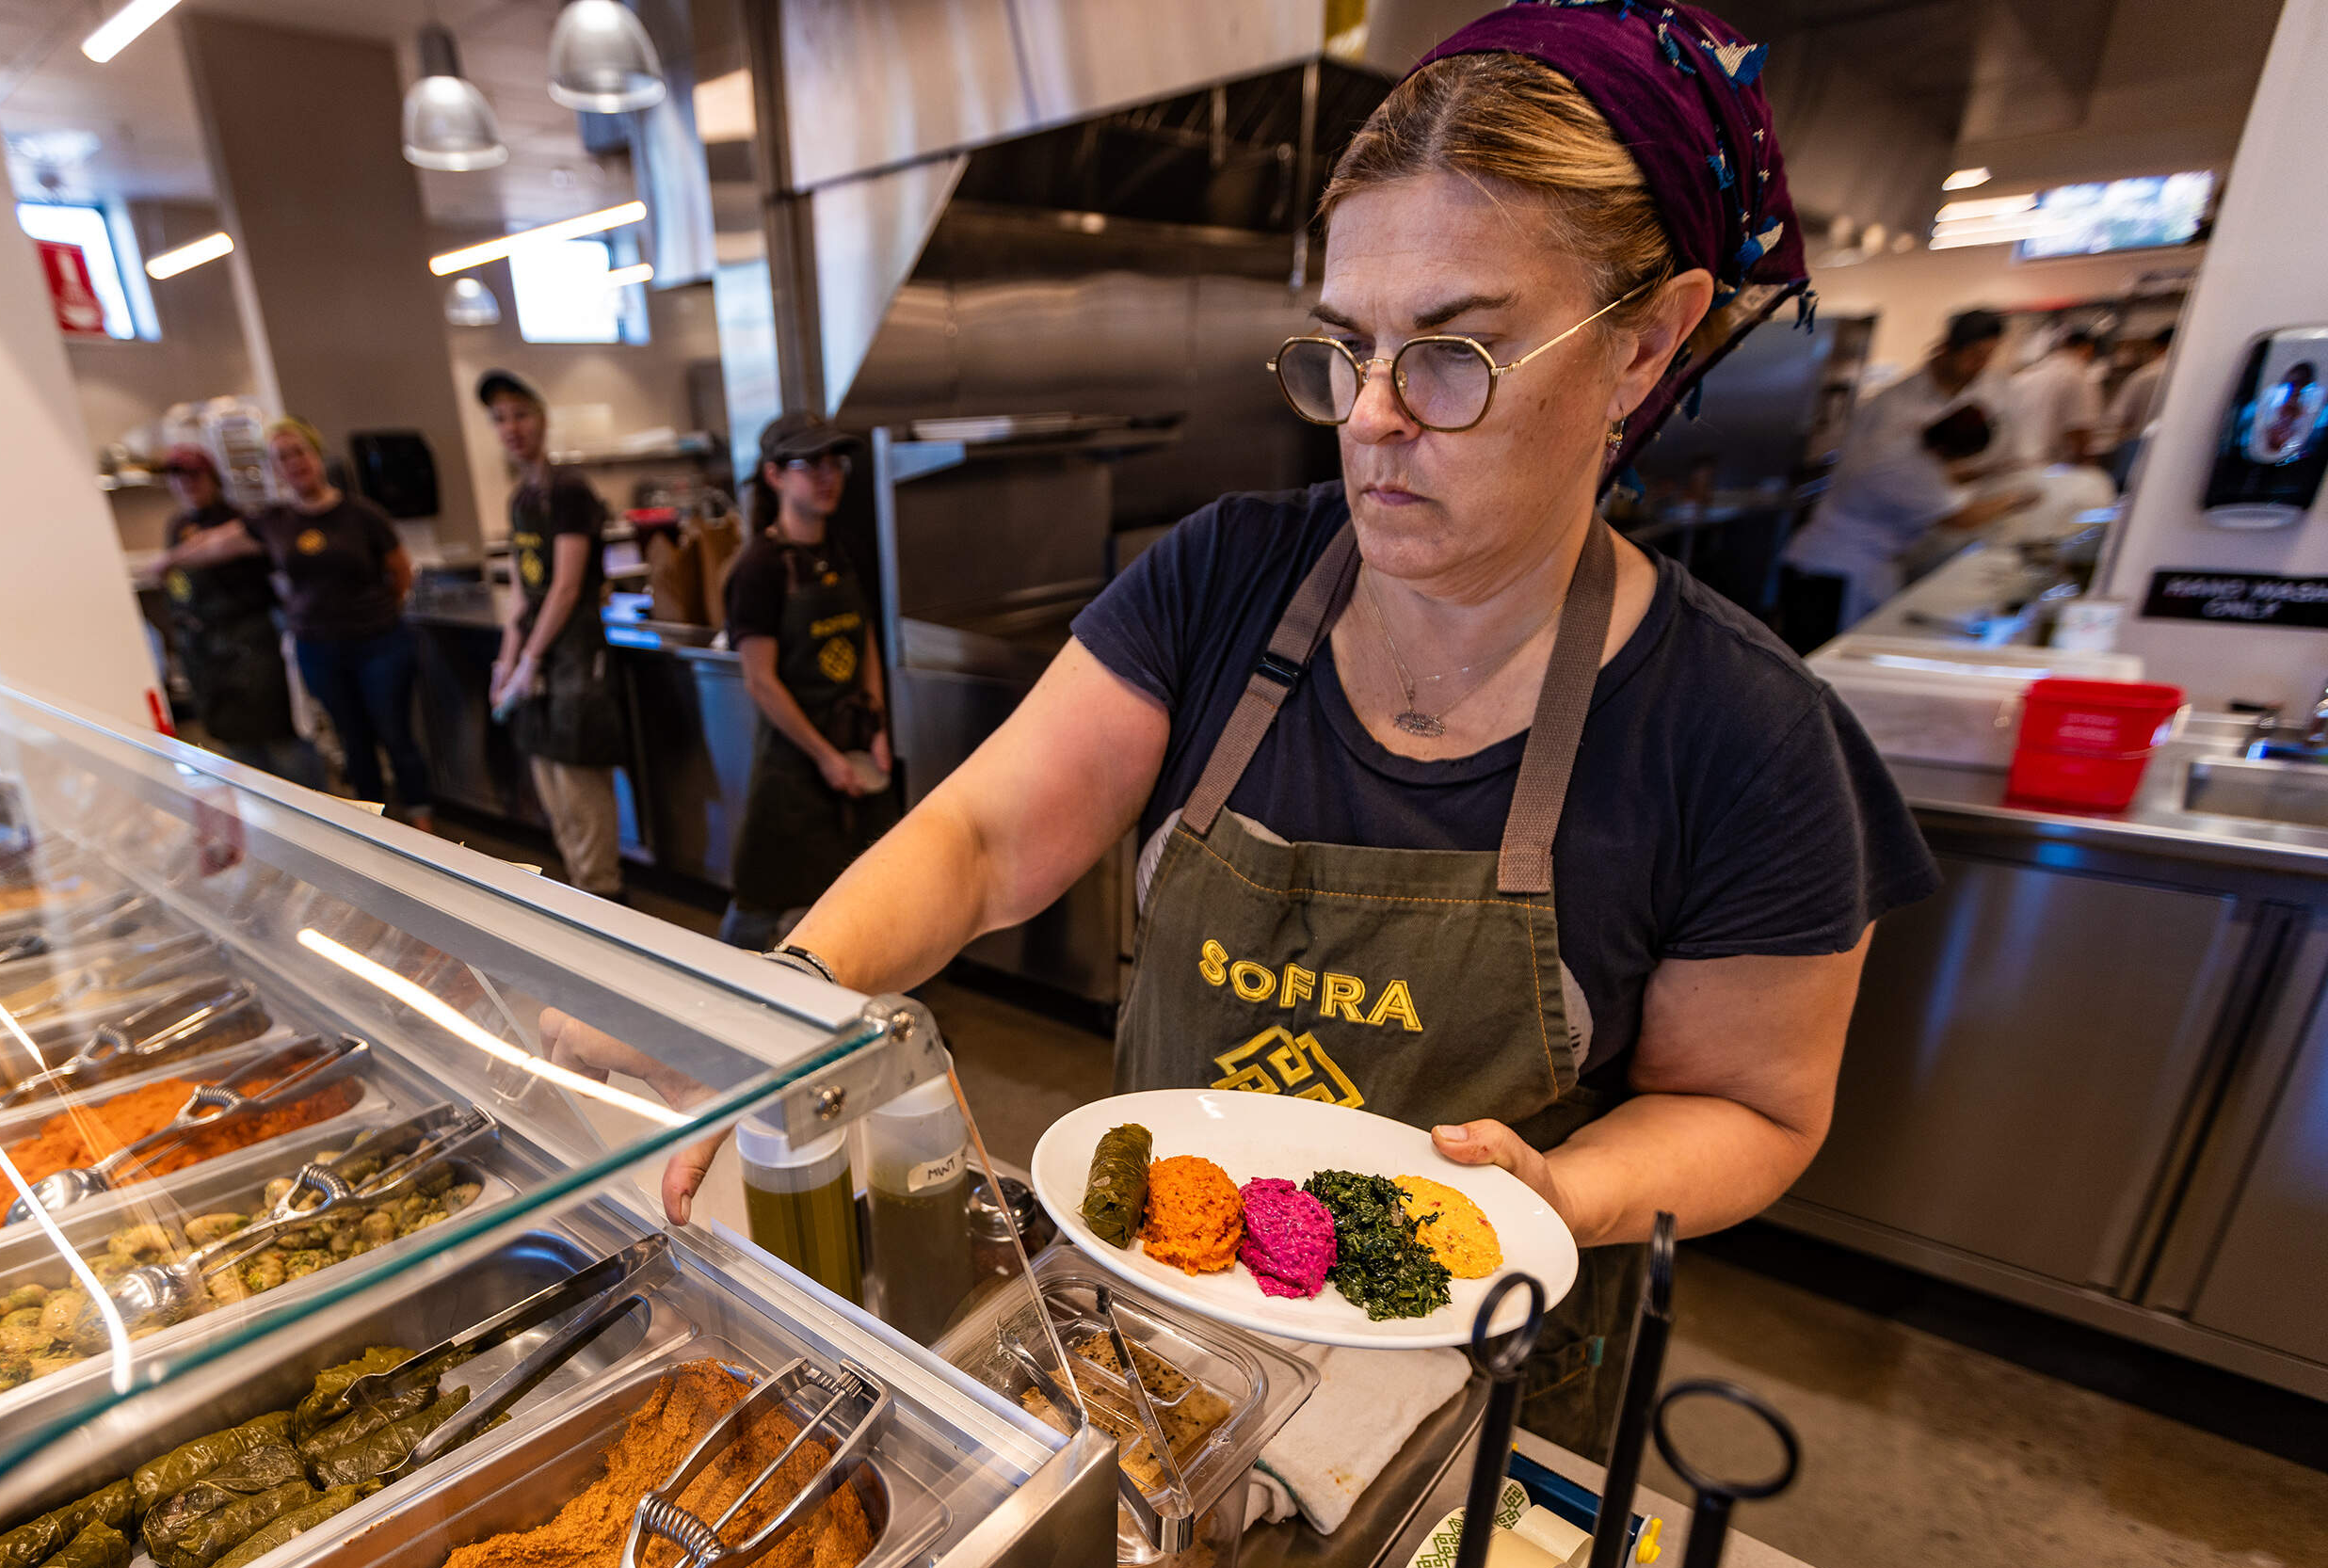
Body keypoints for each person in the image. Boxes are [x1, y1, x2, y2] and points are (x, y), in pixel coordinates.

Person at [611, 1, 1944, 1459]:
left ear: (1645, 347)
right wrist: (783, 1014)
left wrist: (1562, 1193)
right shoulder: (1223, 578)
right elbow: (985, 839)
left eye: (1455, 354)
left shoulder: (1744, 735)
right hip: (1156, 1342)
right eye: (1343, 347)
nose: (1369, 419)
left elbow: (1753, 1109)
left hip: (1462, 1406)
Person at [155, 418, 436, 832]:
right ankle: (379, 830)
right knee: (351, 739)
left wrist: (381, 613)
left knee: (395, 734)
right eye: (281, 458)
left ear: (316, 456)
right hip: (319, 649)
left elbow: (400, 572)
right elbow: (215, 544)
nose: (293, 463)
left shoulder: (361, 514)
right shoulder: (274, 521)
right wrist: (168, 560)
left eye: (298, 452)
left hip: (378, 644)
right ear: (275, 469)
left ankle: (423, 823)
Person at [715, 412, 896, 949]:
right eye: (808, 464)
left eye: (833, 463)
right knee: (761, 902)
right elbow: (761, 682)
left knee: (858, 891)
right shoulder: (758, 569)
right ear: (774, 476)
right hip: (794, 769)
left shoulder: (841, 552)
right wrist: (824, 757)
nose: (826, 476)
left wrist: (878, 729)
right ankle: (714, 1000)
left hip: (855, 756)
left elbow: (864, 642)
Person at [481, 369, 629, 900]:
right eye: (500, 419)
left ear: (542, 418)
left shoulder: (570, 492)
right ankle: (586, 901)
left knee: (582, 793)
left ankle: (608, 906)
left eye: (521, 414)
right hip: (539, 664)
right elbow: (524, 595)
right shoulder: (521, 499)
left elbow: (566, 588)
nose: (512, 428)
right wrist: (506, 665)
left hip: (574, 662)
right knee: (556, 800)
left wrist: (531, 663)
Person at [1777, 406, 2030, 650]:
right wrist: (2013, 499)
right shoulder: (1913, 473)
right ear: (1948, 449)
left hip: (1826, 560)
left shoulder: (1904, 440)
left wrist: (1987, 473)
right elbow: (1961, 518)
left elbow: (1944, 475)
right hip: (1836, 573)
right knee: (1818, 656)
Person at [152, 445, 321, 787]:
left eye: (194, 476)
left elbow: (215, 550)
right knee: (238, 753)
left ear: (213, 478)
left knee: (283, 743)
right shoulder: (178, 525)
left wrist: (170, 561)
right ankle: (266, 825)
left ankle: (320, 823)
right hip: (206, 656)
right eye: (178, 478)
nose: (187, 484)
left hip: (253, 648)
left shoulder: (241, 522)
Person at [1842, 309, 2009, 470]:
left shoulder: (1982, 397)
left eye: (1987, 357)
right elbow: (1866, 473)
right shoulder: (1890, 405)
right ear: (1946, 348)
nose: (1980, 365)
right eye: (1974, 355)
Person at [2006, 328, 2106, 469]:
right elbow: (2079, 430)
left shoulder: (2026, 375)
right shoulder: (2076, 373)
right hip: (2054, 467)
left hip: (2020, 465)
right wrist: (2089, 468)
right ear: (2088, 348)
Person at [2104, 328, 2172, 486]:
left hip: (2141, 452)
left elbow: (2121, 421)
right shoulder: (2195, 374)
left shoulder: (2142, 376)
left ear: (2158, 347)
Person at [2245, 359, 2326, 465]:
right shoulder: (2307, 413)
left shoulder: (2271, 403)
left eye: (2278, 436)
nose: (2283, 431)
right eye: (2285, 436)